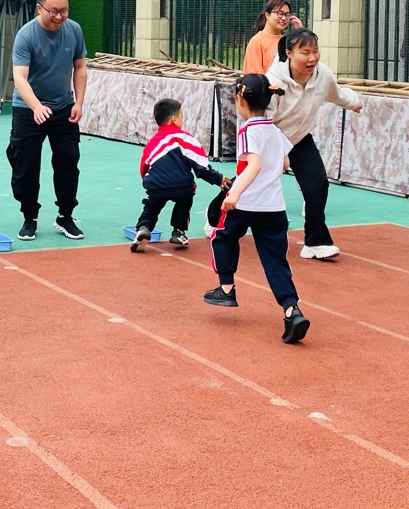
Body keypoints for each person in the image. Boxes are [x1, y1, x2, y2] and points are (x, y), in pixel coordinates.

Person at [204, 74, 310, 345]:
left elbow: (254, 165)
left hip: (246, 203)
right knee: (276, 260)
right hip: (273, 207)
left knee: (222, 236)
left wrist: (235, 193)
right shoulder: (275, 130)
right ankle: (291, 309)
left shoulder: (247, 131)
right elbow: (285, 163)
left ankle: (226, 287)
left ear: (241, 99)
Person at [266, 29, 364, 261]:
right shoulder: (273, 82)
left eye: (315, 51)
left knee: (318, 185)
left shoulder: (323, 75)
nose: (312, 58)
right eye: (305, 52)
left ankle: (315, 242)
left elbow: (336, 94)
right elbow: (264, 120)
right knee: (246, 183)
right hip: (270, 138)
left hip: (300, 138)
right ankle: (216, 217)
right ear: (289, 53)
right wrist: (277, 151)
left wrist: (354, 103)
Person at [8, 0, 88, 241]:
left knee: (68, 162)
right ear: (39, 8)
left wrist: (78, 102)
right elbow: (20, 77)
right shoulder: (26, 35)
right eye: (53, 11)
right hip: (28, 109)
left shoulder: (74, 30)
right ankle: (29, 217)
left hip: (64, 108)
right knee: (26, 165)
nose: (59, 17)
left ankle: (65, 215)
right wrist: (36, 106)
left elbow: (80, 66)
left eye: (64, 11)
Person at [132, 98, 229, 252]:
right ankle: (179, 231)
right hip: (182, 186)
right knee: (185, 200)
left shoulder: (152, 142)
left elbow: (144, 167)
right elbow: (201, 166)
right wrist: (218, 179)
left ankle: (144, 228)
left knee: (152, 205)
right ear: (174, 119)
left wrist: (150, 182)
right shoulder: (185, 138)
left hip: (156, 184)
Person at [242, 0, 304, 75]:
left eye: (287, 15)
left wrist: (300, 31)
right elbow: (254, 77)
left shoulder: (286, 40)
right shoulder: (257, 41)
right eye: (280, 14)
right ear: (267, 15)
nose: (284, 18)